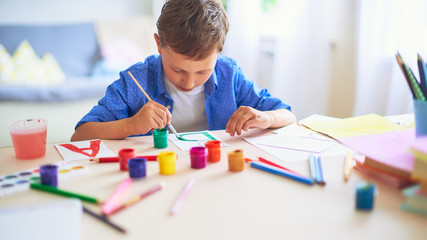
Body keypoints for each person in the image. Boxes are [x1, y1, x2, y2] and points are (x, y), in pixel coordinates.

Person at [71, 0, 296, 142]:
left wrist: (266, 117)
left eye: (202, 72)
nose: (189, 83)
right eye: (177, 69)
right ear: (159, 44)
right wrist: (131, 125)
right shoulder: (135, 80)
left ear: (219, 51)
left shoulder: (230, 74)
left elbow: (288, 115)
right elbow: (80, 134)